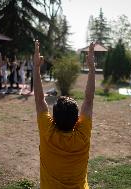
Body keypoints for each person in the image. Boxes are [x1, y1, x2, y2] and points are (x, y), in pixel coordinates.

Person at [34, 40, 95, 188]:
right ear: (77, 121)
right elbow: (88, 100)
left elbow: (39, 100)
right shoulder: (82, 135)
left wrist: (36, 68)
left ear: (53, 119)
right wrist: (92, 68)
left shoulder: (48, 132)